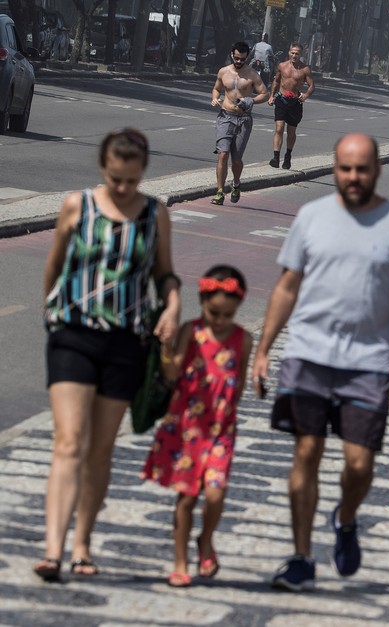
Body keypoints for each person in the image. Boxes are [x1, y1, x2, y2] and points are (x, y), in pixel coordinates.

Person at [252, 133, 389, 591]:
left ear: (377, 170)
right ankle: (301, 556)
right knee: (306, 451)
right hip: (309, 353)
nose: (353, 177)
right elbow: (288, 285)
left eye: (362, 169)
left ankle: (346, 519)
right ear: (335, 168)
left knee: (359, 465)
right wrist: (265, 348)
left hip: (371, 361)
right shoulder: (312, 217)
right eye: (345, 169)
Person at [35, 128, 181, 581]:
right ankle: (53, 549)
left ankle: (83, 546)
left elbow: (164, 275)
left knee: (100, 449)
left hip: (126, 343)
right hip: (74, 335)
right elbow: (55, 266)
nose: (123, 189)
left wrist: (173, 306)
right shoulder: (77, 206)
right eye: (116, 179)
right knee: (69, 441)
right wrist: (54, 315)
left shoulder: (155, 214)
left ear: (142, 174)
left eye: (131, 181)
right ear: (104, 168)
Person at [141, 265, 253, 588]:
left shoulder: (243, 339)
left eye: (227, 315)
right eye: (213, 312)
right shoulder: (192, 331)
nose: (219, 320)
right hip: (188, 429)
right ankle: (180, 560)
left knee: (216, 494)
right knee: (186, 498)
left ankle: (206, 539)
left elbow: (239, 382)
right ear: (203, 302)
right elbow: (174, 372)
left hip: (220, 430)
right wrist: (166, 348)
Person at [210, 41, 269, 205]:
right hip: (225, 116)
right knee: (223, 154)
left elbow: (265, 93)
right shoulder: (224, 72)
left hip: (243, 119)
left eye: (242, 59)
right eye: (236, 58)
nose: (239, 61)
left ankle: (236, 183)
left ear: (246, 57)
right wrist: (215, 98)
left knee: (236, 159)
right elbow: (216, 88)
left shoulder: (252, 74)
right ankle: (220, 192)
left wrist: (251, 101)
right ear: (232, 55)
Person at [268, 43, 315, 169]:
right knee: (279, 128)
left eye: (297, 54)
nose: (294, 55)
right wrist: (272, 95)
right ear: (289, 52)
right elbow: (276, 80)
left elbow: (311, 86)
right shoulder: (282, 66)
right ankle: (276, 157)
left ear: (301, 54)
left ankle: (288, 156)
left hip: (295, 102)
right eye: (292, 53)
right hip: (281, 100)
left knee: (291, 131)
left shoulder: (305, 69)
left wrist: (305, 95)